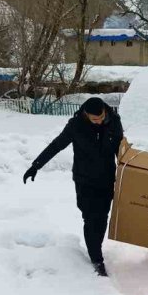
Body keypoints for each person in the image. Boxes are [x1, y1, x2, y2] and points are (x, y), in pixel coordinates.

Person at [23, 97, 124, 277]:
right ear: (86, 114)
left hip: (106, 179)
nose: (99, 122)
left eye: (101, 117)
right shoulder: (76, 125)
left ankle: (96, 248)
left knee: (102, 218)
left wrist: (129, 174)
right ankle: (96, 258)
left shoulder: (114, 122)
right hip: (84, 180)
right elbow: (57, 145)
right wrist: (36, 165)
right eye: (95, 119)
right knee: (90, 218)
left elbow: (121, 151)